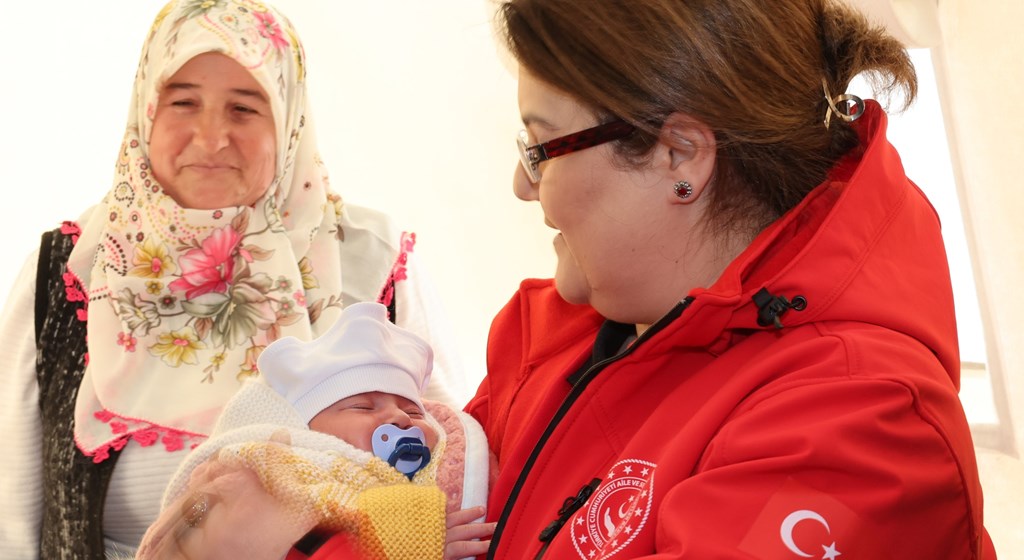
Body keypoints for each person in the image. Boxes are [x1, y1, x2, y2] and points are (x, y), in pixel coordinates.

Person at [465, 0, 997, 558]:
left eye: (540, 150)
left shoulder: (857, 431)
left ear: (681, 156)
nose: (523, 187)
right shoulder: (543, 337)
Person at [0, 1, 465, 558]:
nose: (211, 136)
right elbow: (11, 510)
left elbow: (457, 463)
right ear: (146, 109)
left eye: (244, 108)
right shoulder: (72, 268)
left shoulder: (371, 259)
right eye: (183, 102)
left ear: (290, 122)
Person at [137, 301, 492, 560]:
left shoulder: (425, 497)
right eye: (363, 406)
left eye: (413, 411)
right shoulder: (257, 484)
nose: (399, 419)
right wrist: (387, 549)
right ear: (304, 430)